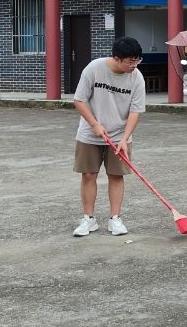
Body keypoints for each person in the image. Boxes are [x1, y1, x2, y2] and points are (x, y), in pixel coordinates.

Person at [71, 37, 147, 236]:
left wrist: (125, 138)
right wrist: (95, 124)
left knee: (116, 175)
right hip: (90, 134)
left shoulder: (137, 78)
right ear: (116, 58)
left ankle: (115, 219)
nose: (134, 65)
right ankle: (88, 219)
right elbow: (79, 100)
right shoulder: (94, 68)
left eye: (137, 60)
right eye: (130, 61)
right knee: (88, 174)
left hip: (119, 136)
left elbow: (135, 111)